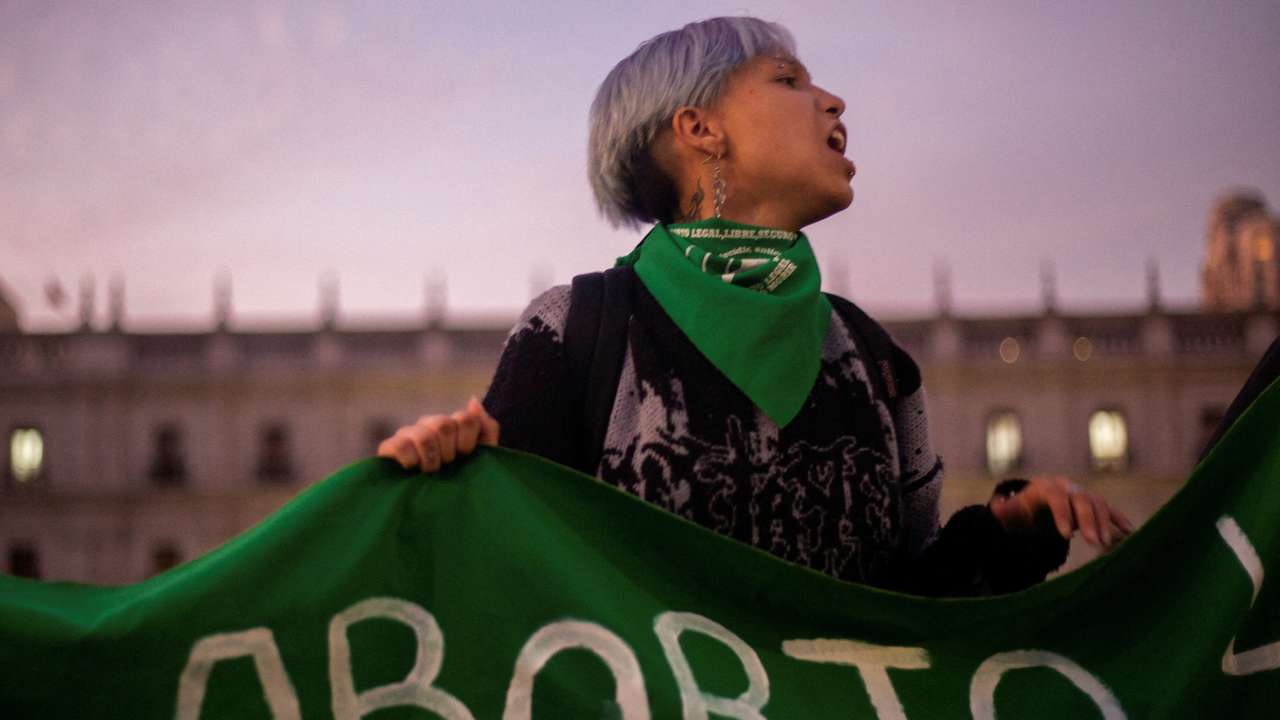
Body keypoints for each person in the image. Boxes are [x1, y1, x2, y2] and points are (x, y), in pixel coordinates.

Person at [378, 16, 1132, 595]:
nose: (832, 100)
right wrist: (436, 478)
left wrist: (1012, 531)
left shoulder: (870, 356)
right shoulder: (575, 332)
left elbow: (910, 606)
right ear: (699, 128)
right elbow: (507, 584)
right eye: (788, 81)